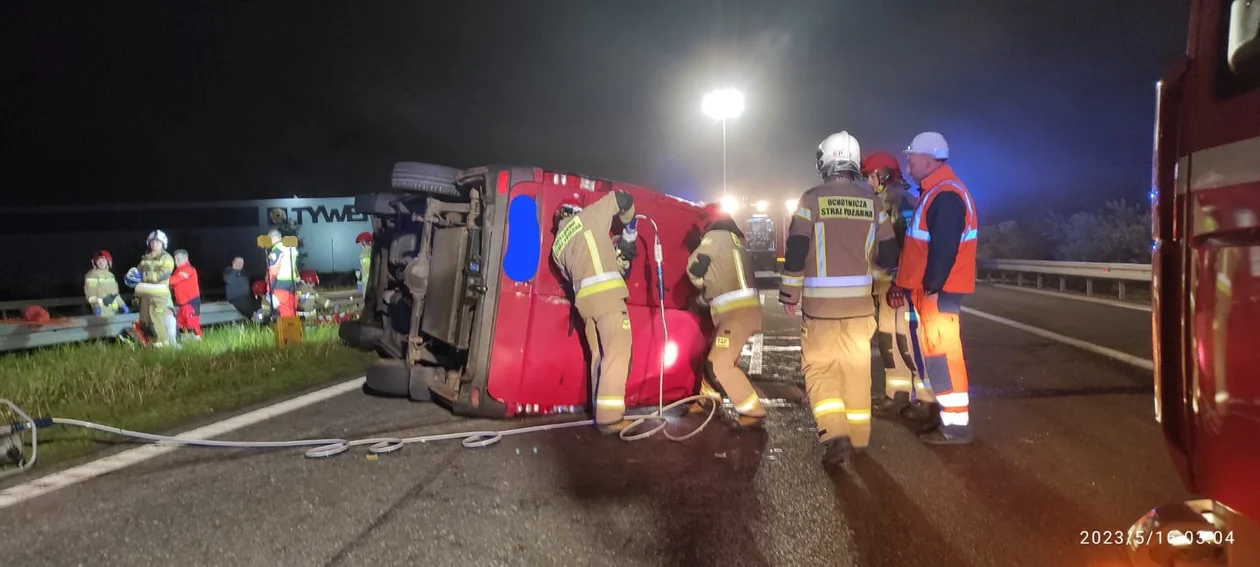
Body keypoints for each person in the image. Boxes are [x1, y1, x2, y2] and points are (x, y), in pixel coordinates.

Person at [779, 131, 900, 465]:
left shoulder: (811, 199)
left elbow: (797, 249)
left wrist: (790, 293)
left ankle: (835, 434)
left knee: (820, 371)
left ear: (826, 162)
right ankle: (859, 438)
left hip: (820, 310)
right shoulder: (872, 201)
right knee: (857, 371)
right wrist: (874, 273)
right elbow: (889, 252)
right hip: (861, 309)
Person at [889, 131, 979, 445]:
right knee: (937, 354)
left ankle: (956, 427)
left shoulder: (945, 193)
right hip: (932, 292)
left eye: (911, 156)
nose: (908, 161)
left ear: (928, 159)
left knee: (943, 355)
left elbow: (945, 245)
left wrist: (932, 284)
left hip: (938, 293)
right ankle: (947, 419)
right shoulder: (936, 191)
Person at [551, 190, 639, 433]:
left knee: (599, 357)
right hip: (608, 297)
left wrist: (614, 250)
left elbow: (583, 265)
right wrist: (629, 223)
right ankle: (610, 419)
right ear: (574, 211)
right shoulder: (589, 216)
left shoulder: (557, 247)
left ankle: (600, 411)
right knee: (618, 353)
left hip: (585, 305)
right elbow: (623, 198)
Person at [861, 152, 937, 421]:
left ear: (880, 175)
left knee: (908, 339)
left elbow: (908, 243)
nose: (868, 182)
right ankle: (897, 394)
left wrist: (897, 279)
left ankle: (927, 400)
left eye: (869, 176)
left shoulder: (899, 200)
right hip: (885, 284)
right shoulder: (882, 201)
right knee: (888, 339)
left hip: (900, 285)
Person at [686, 203, 767, 427]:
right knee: (710, 355)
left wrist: (698, 285)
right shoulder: (734, 239)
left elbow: (695, 266)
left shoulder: (715, 236)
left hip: (735, 314)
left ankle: (752, 411)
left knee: (718, 363)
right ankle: (708, 401)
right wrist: (704, 299)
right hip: (739, 311)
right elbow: (722, 277)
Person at [125, 230, 178, 347]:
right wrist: (131, 275)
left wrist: (142, 276)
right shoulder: (145, 258)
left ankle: (163, 347)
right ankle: (150, 345)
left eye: (157, 242)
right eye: (152, 241)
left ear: (163, 243)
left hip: (159, 297)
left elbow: (162, 275)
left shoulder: (167, 258)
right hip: (144, 296)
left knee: (157, 321)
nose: (154, 244)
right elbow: (137, 271)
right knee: (145, 322)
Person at [83, 250, 129, 317]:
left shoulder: (111, 275)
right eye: (99, 260)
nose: (101, 263)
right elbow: (91, 293)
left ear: (108, 261)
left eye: (104, 260)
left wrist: (122, 304)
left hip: (114, 312)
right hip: (100, 311)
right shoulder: (91, 275)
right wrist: (95, 306)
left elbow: (115, 294)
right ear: (94, 262)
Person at [170, 249, 202, 340]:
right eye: (175, 259)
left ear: (186, 258)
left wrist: (161, 280)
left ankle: (198, 343)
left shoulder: (188, 269)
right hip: (181, 304)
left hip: (191, 302)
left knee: (192, 324)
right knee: (181, 325)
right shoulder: (177, 271)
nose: (176, 262)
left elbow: (176, 279)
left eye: (179, 259)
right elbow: (173, 284)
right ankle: (187, 345)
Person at [266, 229, 299, 318]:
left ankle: (287, 330)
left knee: (284, 310)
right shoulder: (290, 247)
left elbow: (274, 270)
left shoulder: (277, 249)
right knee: (292, 308)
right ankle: (294, 329)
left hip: (280, 284)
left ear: (272, 238)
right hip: (291, 283)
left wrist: (269, 287)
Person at [355, 231, 373, 296]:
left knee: (366, 295)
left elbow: (366, 266)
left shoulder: (368, 250)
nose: (361, 243)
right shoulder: (365, 250)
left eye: (362, 241)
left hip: (368, 278)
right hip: (365, 278)